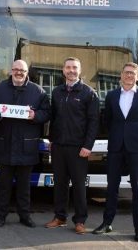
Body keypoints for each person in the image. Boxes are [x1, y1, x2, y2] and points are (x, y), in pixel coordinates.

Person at [92, 62, 138, 242]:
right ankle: (106, 223)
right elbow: (107, 120)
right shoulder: (112, 96)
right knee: (111, 187)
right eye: (126, 72)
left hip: (136, 149)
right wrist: (116, 136)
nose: (129, 76)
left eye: (132, 73)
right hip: (115, 148)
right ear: (120, 75)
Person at [0, 59, 50, 228]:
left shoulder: (38, 92)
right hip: (5, 145)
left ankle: (25, 215)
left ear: (26, 73)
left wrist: (35, 116)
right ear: (11, 71)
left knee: (24, 187)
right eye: (16, 69)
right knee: (3, 185)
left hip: (26, 147)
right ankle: (1, 215)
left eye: (22, 71)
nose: (18, 73)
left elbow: (46, 113)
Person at [45, 57, 99, 234]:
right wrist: (51, 140)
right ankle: (60, 217)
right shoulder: (57, 92)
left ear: (80, 70)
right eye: (68, 67)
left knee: (79, 186)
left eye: (74, 67)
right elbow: (54, 119)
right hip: (59, 146)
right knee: (59, 184)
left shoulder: (89, 93)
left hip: (78, 148)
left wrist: (87, 146)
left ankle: (80, 221)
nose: (71, 70)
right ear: (63, 70)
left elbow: (93, 123)